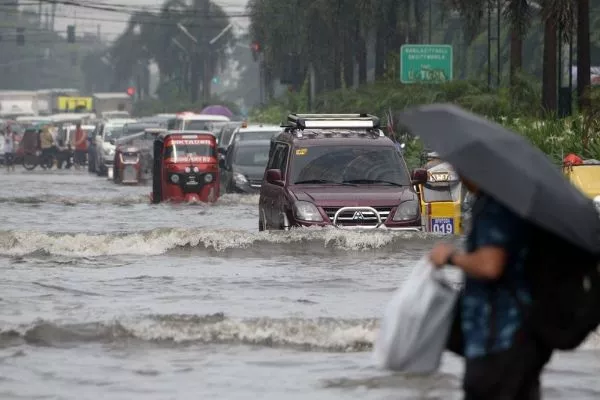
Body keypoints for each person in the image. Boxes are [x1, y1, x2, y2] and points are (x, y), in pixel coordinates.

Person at [429, 176, 553, 400]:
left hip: (497, 342)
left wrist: (450, 257)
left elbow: (489, 265)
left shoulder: (494, 208)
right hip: (523, 338)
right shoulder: (517, 205)